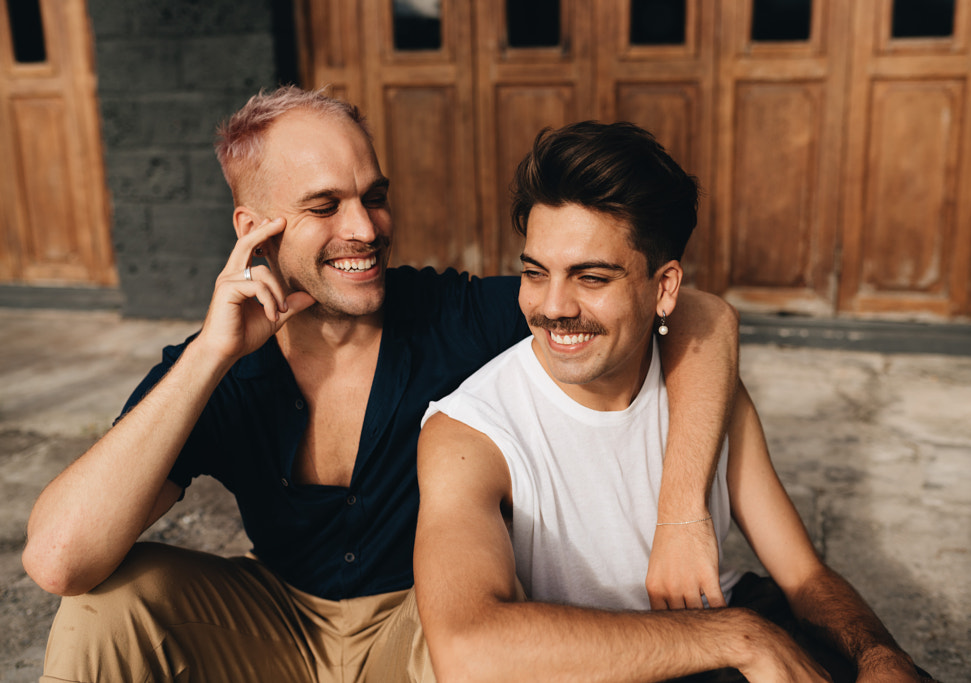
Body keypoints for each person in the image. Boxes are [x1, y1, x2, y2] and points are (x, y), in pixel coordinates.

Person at [22, 87, 739, 682]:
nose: (364, 227)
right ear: (254, 228)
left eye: (374, 195)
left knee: (475, 642)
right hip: (274, 623)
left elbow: (698, 313)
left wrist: (682, 514)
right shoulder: (223, 366)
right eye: (325, 205)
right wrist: (212, 355)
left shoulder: (451, 317)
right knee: (101, 605)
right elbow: (59, 557)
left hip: (419, 626)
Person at [414, 121, 932, 682]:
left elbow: (804, 576)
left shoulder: (704, 393)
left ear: (664, 289)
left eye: (591, 278)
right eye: (535, 273)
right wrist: (740, 638)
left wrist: (880, 655)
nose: (553, 306)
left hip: (728, 640)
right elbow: (467, 653)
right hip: (592, 663)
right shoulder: (468, 433)